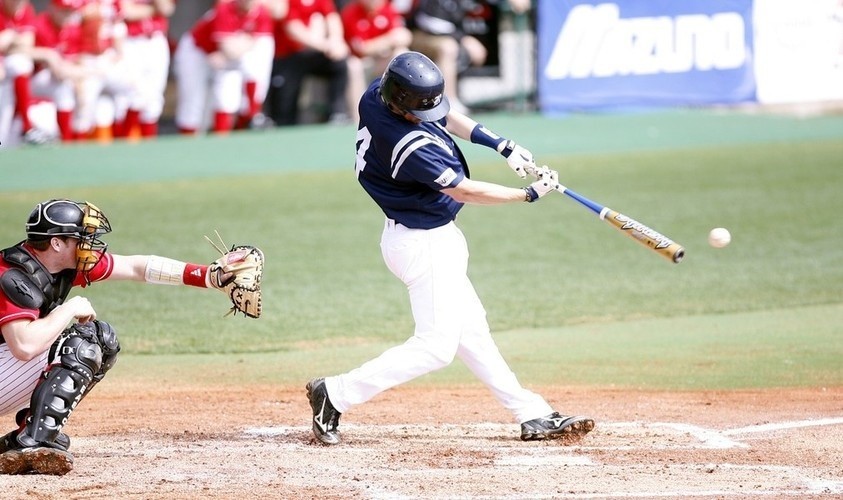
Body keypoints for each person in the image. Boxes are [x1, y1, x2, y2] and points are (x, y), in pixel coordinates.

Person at [305, 51, 594, 446]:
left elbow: (444, 115)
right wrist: (527, 194)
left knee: (472, 330)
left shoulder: (378, 95)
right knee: (436, 348)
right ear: (401, 104)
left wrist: (501, 144)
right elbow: (463, 190)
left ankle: (531, 413)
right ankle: (335, 393)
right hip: (423, 243)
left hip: (424, 237)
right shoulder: (408, 144)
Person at [0, 199, 256, 475]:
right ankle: (32, 443)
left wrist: (208, 276)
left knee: (101, 339)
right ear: (57, 244)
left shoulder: (58, 264)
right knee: (80, 347)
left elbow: (137, 267)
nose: (89, 245)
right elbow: (24, 346)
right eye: (80, 239)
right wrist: (69, 308)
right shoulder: (11, 275)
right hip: (10, 362)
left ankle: (29, 433)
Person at [173, 0, 274, 135]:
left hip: (223, 57)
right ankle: (186, 143)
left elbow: (252, 46)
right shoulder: (225, 9)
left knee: (227, 98)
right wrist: (246, 41)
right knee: (193, 102)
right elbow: (228, 49)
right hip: (196, 52)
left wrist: (241, 44)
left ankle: (227, 137)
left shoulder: (261, 12)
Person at [265, 0, 351, 126]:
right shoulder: (289, 2)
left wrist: (336, 40)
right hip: (288, 57)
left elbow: (332, 18)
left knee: (339, 63)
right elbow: (293, 29)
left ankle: (337, 113)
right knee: (284, 109)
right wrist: (326, 46)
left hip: (314, 54)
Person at [407, 0, 488, 114]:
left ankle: (455, 93)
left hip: (450, 37)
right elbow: (429, 22)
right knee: (448, 47)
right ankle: (448, 101)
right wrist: (463, 39)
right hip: (419, 34)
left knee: (477, 53)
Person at [340, 0, 411, 123]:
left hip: (381, 60)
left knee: (401, 54)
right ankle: (358, 118)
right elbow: (362, 49)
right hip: (362, 63)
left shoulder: (387, 8)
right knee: (353, 65)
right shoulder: (351, 12)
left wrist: (382, 43)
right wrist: (389, 39)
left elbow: (403, 37)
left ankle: (403, 110)